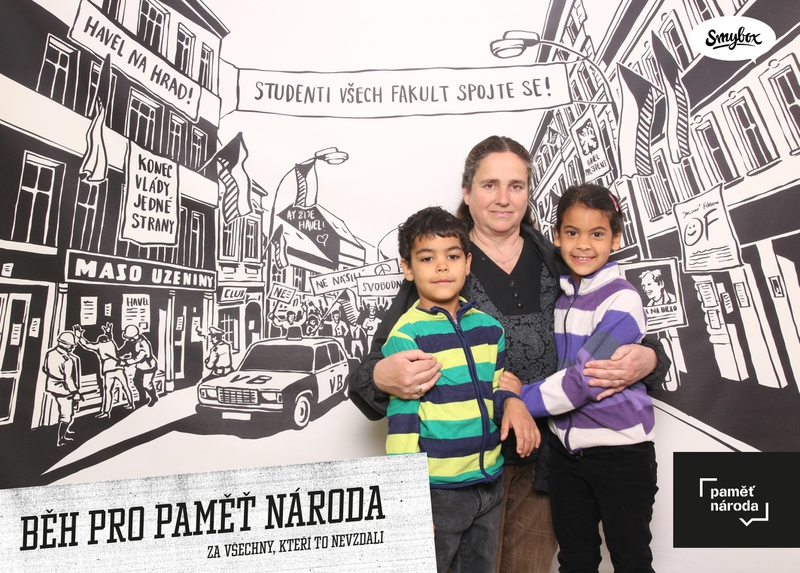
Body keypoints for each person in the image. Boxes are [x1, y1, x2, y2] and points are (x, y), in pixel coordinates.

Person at [348, 135, 669, 573]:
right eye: (490, 185)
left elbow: (616, 325)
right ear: (467, 192)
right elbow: (370, 373)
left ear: (528, 193)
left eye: (516, 185)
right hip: (460, 470)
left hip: (545, 461)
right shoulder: (443, 262)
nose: (503, 198)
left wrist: (650, 359)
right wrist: (382, 376)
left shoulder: (560, 257)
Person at [500, 184, 657, 573]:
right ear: (557, 237)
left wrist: (521, 396)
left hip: (619, 455)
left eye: (597, 234)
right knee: (575, 560)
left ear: (615, 239)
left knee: (631, 559)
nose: (583, 244)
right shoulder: (564, 298)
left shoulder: (623, 300)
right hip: (567, 457)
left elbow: (586, 378)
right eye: (572, 232)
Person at [383, 206, 538, 573]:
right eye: (427, 258)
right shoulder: (407, 335)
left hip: (489, 482)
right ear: (408, 268)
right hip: (437, 491)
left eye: (452, 256)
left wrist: (512, 401)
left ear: (467, 263)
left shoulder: (490, 329)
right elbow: (402, 421)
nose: (442, 266)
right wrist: (408, 499)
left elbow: (495, 388)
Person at [74, 322, 135, 416]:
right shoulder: (111, 343)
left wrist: (79, 336)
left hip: (108, 370)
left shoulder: (99, 345)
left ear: (99, 341)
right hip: (118, 368)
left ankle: (106, 411)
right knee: (125, 386)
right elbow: (110, 337)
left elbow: (86, 344)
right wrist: (109, 332)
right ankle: (131, 404)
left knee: (108, 391)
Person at [43, 331, 82, 447]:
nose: (73, 347)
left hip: (52, 386)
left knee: (67, 411)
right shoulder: (67, 359)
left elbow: (45, 369)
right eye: (72, 345)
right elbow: (68, 378)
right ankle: (61, 439)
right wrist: (75, 392)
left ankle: (65, 432)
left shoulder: (50, 353)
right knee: (67, 415)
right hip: (65, 390)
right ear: (66, 344)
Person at [120, 325, 159, 407]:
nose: (128, 340)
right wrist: (118, 354)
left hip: (149, 367)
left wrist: (126, 362)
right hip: (140, 366)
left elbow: (138, 358)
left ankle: (154, 397)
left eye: (129, 338)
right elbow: (124, 349)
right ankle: (143, 399)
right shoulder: (133, 341)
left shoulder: (143, 344)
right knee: (136, 381)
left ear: (134, 337)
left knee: (146, 385)